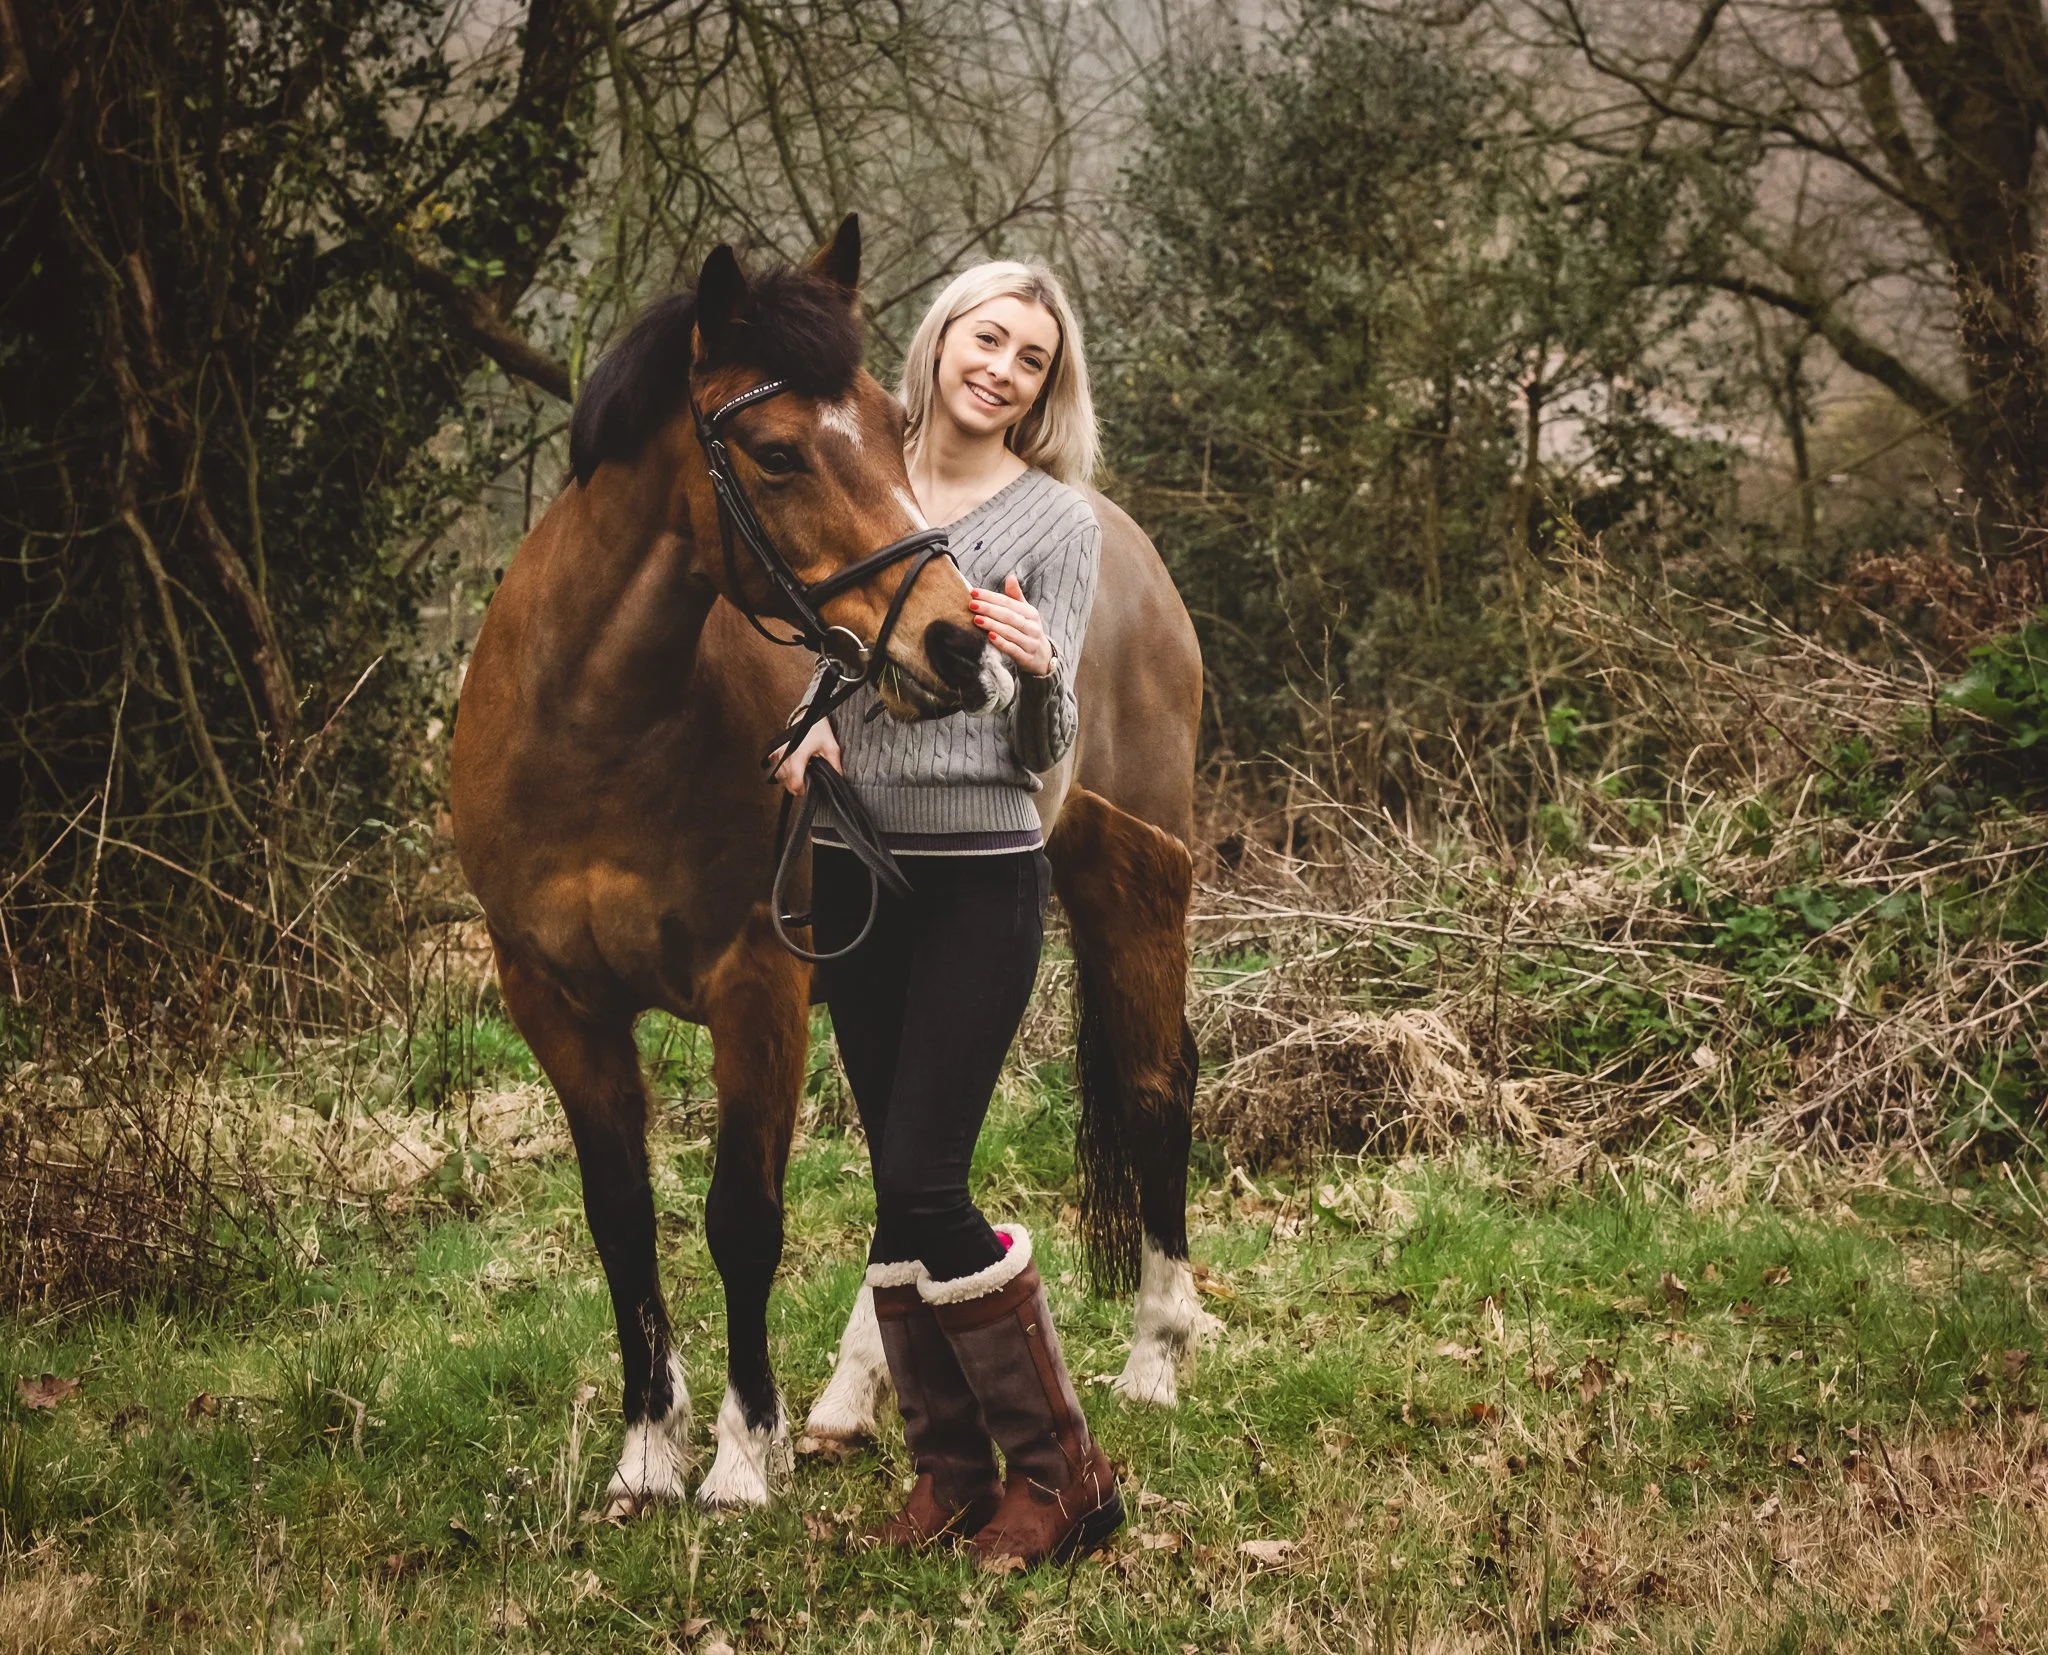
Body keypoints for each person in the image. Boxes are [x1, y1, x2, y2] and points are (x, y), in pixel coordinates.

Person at [771, 261, 1120, 1566]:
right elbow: (831, 643)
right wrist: (810, 730)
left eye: (1030, 357)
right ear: (944, 339)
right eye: (989, 338)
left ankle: (1063, 1469)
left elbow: (1051, 743)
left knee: (928, 1175)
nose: (1002, 368)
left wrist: (1034, 674)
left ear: (1044, 386)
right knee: (896, 1185)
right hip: (860, 865)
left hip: (981, 870)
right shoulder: (868, 473)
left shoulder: (1057, 523)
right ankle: (953, 1472)